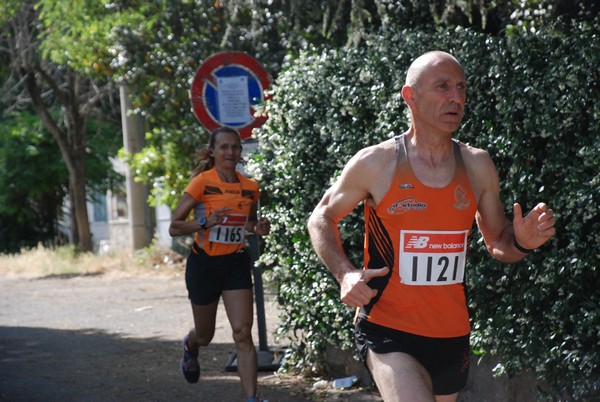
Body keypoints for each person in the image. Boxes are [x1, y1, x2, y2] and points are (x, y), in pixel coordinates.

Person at [307, 51, 556, 402]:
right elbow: (321, 216)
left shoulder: (476, 164)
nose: (455, 97)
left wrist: (524, 242)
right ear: (410, 96)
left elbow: (499, 242)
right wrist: (344, 272)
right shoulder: (377, 163)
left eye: (461, 88)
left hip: (451, 334)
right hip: (387, 328)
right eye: (442, 87)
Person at [169, 127, 270, 402]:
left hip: (235, 263)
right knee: (206, 335)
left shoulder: (250, 188)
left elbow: (245, 224)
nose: (230, 152)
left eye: (235, 147)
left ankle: (252, 397)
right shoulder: (202, 183)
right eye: (224, 147)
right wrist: (204, 222)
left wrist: (256, 227)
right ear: (213, 151)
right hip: (204, 265)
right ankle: (191, 345)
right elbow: (174, 227)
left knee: (242, 332)